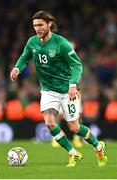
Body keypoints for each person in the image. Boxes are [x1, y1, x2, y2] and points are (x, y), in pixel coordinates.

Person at [10, 10, 107, 167]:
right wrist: (17, 68)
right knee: (49, 123)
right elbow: (25, 57)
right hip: (48, 89)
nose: (37, 28)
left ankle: (98, 146)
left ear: (49, 24)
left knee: (74, 127)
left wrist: (72, 84)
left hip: (67, 90)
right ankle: (73, 153)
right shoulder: (32, 42)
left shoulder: (61, 44)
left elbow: (76, 65)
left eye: (40, 25)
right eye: (35, 25)